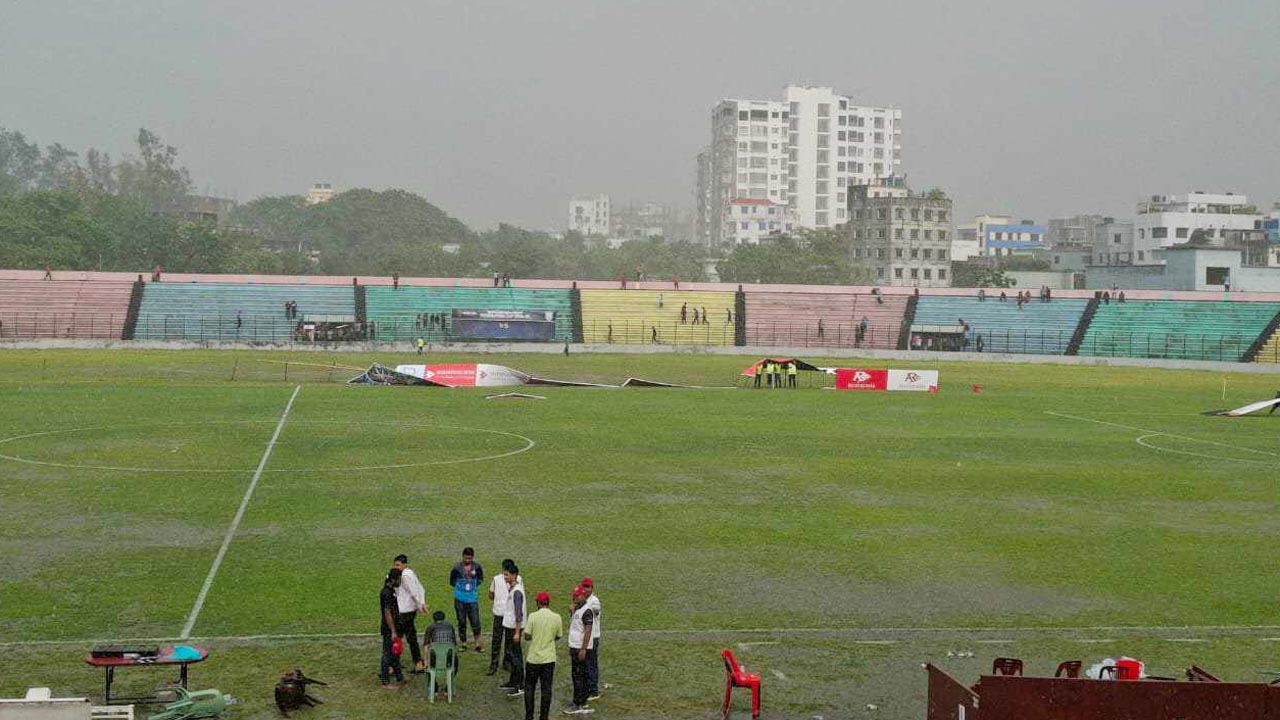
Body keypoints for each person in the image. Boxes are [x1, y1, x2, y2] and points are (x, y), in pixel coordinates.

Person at [522, 592, 562, 720]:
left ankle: (529, 716)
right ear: (548, 603)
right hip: (549, 658)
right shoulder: (556, 617)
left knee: (529, 687)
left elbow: (527, 635)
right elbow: (558, 635)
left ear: (538, 603)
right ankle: (544, 717)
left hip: (533, 658)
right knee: (546, 689)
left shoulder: (533, 616)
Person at [392, 554, 428, 673]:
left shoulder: (404, 576)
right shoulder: (410, 573)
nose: (396, 567)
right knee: (411, 638)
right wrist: (421, 604)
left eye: (398, 565)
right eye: (395, 565)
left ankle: (392, 665)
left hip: (403, 612)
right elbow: (420, 588)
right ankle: (417, 663)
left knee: (397, 638)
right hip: (409, 612)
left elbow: (414, 592)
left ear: (404, 564)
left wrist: (420, 605)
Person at [565, 585, 596, 715]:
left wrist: (583, 648)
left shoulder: (587, 611)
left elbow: (588, 631)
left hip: (580, 648)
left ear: (583, 596)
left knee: (579, 676)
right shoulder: (578, 608)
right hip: (575, 647)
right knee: (577, 675)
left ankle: (578, 703)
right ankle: (580, 700)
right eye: (574, 595)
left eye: (577, 596)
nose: (575, 597)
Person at [449, 547, 484, 652]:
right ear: (462, 556)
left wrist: (472, 587)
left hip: (472, 599)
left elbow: (480, 579)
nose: (467, 560)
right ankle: (463, 643)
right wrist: (461, 587)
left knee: (475, 621)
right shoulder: (456, 568)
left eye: (469, 558)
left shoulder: (477, 567)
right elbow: (452, 581)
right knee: (461, 621)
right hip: (460, 599)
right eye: (466, 558)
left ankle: (478, 643)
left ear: (472, 557)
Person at [500, 564, 528, 695]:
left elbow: (518, 614)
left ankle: (520, 684)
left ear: (514, 575)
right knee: (512, 655)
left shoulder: (517, 591)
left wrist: (517, 632)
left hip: (514, 629)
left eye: (506, 574)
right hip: (511, 627)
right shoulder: (513, 589)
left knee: (516, 657)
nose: (504, 577)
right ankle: (513, 680)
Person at [488, 558, 519, 675]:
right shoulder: (496, 579)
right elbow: (491, 594)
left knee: (509, 640)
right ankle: (494, 663)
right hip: (500, 613)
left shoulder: (518, 580)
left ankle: (506, 662)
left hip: (510, 615)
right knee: (497, 639)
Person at [380, 568, 405, 688]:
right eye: (399, 579)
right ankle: (385, 681)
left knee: (395, 654)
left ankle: (399, 677)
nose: (400, 581)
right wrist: (393, 631)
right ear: (394, 579)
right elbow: (387, 613)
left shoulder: (391, 591)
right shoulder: (386, 593)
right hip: (389, 629)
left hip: (395, 628)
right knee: (387, 654)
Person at [423, 610, 459, 691]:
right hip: (449, 656)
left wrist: (425, 660)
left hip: (435, 657)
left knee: (427, 668)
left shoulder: (430, 627)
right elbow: (453, 644)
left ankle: (434, 686)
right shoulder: (450, 626)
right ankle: (448, 685)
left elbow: (426, 645)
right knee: (456, 663)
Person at [579, 578, 602, 700]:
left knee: (591, 664)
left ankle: (593, 690)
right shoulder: (583, 600)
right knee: (586, 664)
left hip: (593, 637)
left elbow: (596, 610)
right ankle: (588, 687)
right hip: (587, 637)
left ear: (592, 588)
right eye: (584, 587)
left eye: (587, 587)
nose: (585, 589)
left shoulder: (594, 601)